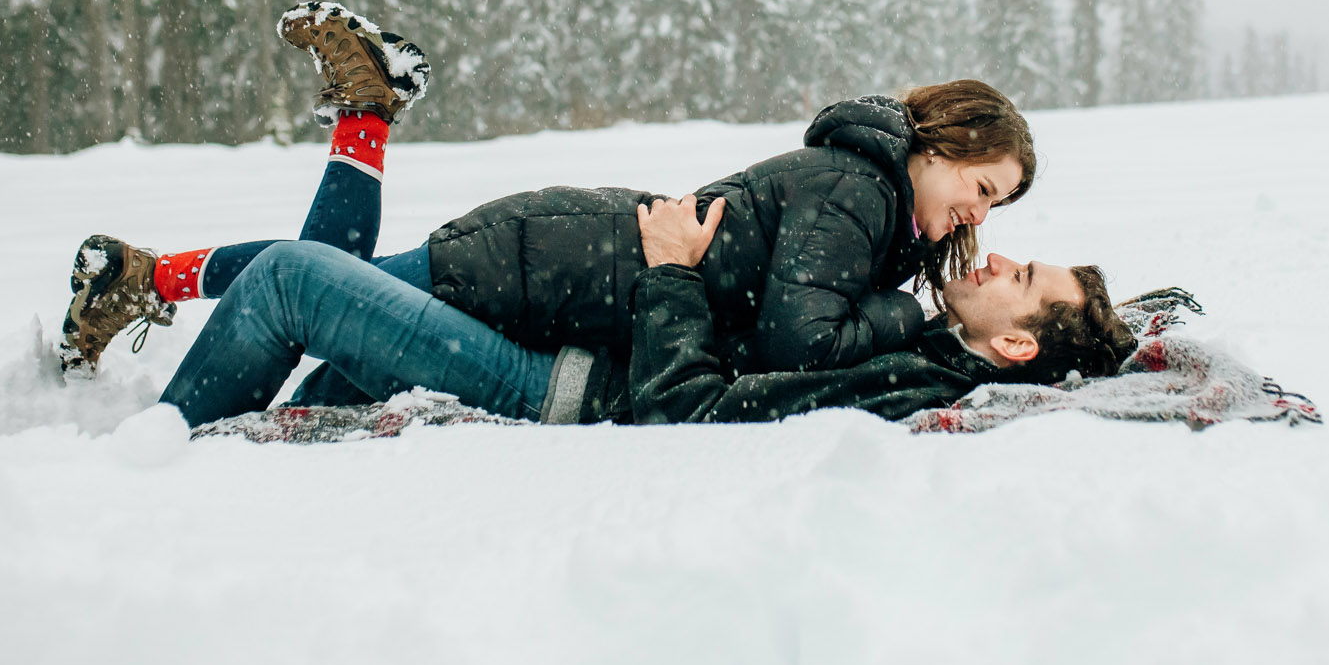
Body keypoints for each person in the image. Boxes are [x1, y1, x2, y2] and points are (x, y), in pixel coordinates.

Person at [61, 2, 1038, 387]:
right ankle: (147, 280)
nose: (980, 216)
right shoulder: (858, 192)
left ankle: (365, 113)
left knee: (329, 282)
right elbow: (797, 337)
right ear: (943, 141)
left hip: (553, 269)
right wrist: (908, 319)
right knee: (315, 283)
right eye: (982, 186)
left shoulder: (872, 212)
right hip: (542, 271)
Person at [148, 191, 1136, 430]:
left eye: (1021, 274)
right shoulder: (910, 334)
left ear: (1010, 340)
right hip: (572, 344)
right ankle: (232, 442)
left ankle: (151, 459)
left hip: (567, 384)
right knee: (338, 353)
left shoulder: (904, 373)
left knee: (290, 276)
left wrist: (669, 269)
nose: (995, 251)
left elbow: (687, 407)